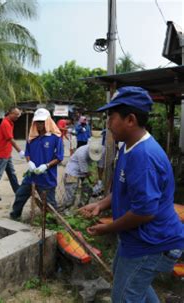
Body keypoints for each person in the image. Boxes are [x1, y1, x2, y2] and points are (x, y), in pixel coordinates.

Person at [79, 86, 184, 303]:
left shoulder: (143, 156)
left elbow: (144, 212)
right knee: (130, 284)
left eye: (112, 117)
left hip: (150, 242)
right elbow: (122, 189)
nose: (108, 123)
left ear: (130, 120)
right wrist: (101, 204)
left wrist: (107, 228)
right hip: (136, 239)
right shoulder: (128, 147)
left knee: (124, 296)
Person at [10, 108, 64, 220]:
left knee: (49, 204)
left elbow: (59, 157)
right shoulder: (32, 137)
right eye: (37, 122)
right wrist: (29, 162)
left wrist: (46, 166)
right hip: (31, 175)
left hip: (46, 177)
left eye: (42, 122)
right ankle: (15, 216)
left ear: (48, 121)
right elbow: (28, 152)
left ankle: (52, 223)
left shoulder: (55, 138)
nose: (39, 125)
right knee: (20, 195)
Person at [0, 107, 24, 201]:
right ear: (10, 113)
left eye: (18, 114)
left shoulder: (9, 122)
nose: (18, 116)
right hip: (2, 153)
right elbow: (11, 139)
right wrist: (20, 151)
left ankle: (18, 190)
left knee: (12, 173)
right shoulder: (6, 123)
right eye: (16, 114)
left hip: (7, 152)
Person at [61, 137, 103, 209]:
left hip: (84, 172)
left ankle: (82, 208)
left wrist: (99, 180)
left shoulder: (101, 150)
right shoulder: (82, 153)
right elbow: (85, 172)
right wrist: (93, 183)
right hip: (71, 172)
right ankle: (66, 211)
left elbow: (100, 166)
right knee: (71, 194)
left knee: (87, 190)